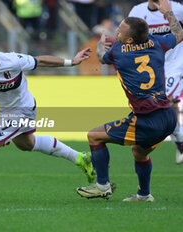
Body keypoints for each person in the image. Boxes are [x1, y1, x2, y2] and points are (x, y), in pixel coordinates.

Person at [0, 31, 93, 204]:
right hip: (5, 111)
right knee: (27, 144)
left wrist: (72, 62)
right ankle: (79, 158)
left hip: (23, 109)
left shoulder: (12, 60)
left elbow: (40, 60)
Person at [76, 0, 182, 202]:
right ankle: (144, 195)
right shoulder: (157, 43)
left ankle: (102, 186)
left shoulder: (118, 52)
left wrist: (100, 46)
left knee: (94, 136)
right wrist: (168, 13)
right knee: (139, 153)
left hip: (146, 121)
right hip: (168, 119)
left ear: (130, 40)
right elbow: (179, 34)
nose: (116, 32)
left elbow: (101, 57)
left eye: (120, 31)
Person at [129, 0, 183, 164]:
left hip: (175, 64)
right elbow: (128, 37)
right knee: (165, 108)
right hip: (151, 67)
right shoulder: (137, 11)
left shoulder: (178, 9)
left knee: (164, 102)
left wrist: (169, 13)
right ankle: (180, 140)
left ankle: (180, 141)